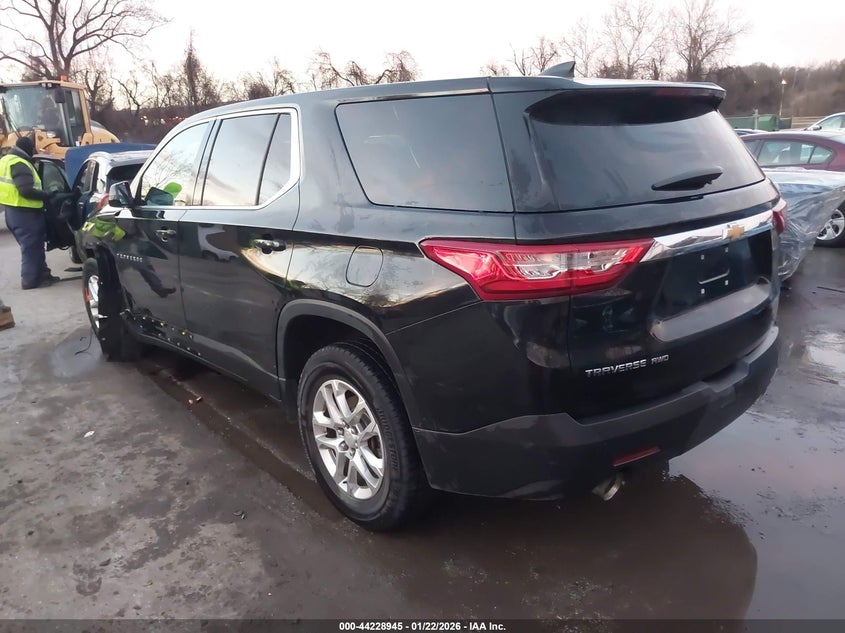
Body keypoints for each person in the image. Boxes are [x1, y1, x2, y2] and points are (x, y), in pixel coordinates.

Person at [0, 136, 60, 289]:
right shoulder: (19, 163)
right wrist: (47, 194)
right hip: (25, 213)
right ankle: (30, 280)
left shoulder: (6, 160)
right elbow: (26, 190)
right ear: (28, 148)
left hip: (12, 211)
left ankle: (43, 274)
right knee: (31, 247)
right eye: (32, 148)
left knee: (34, 246)